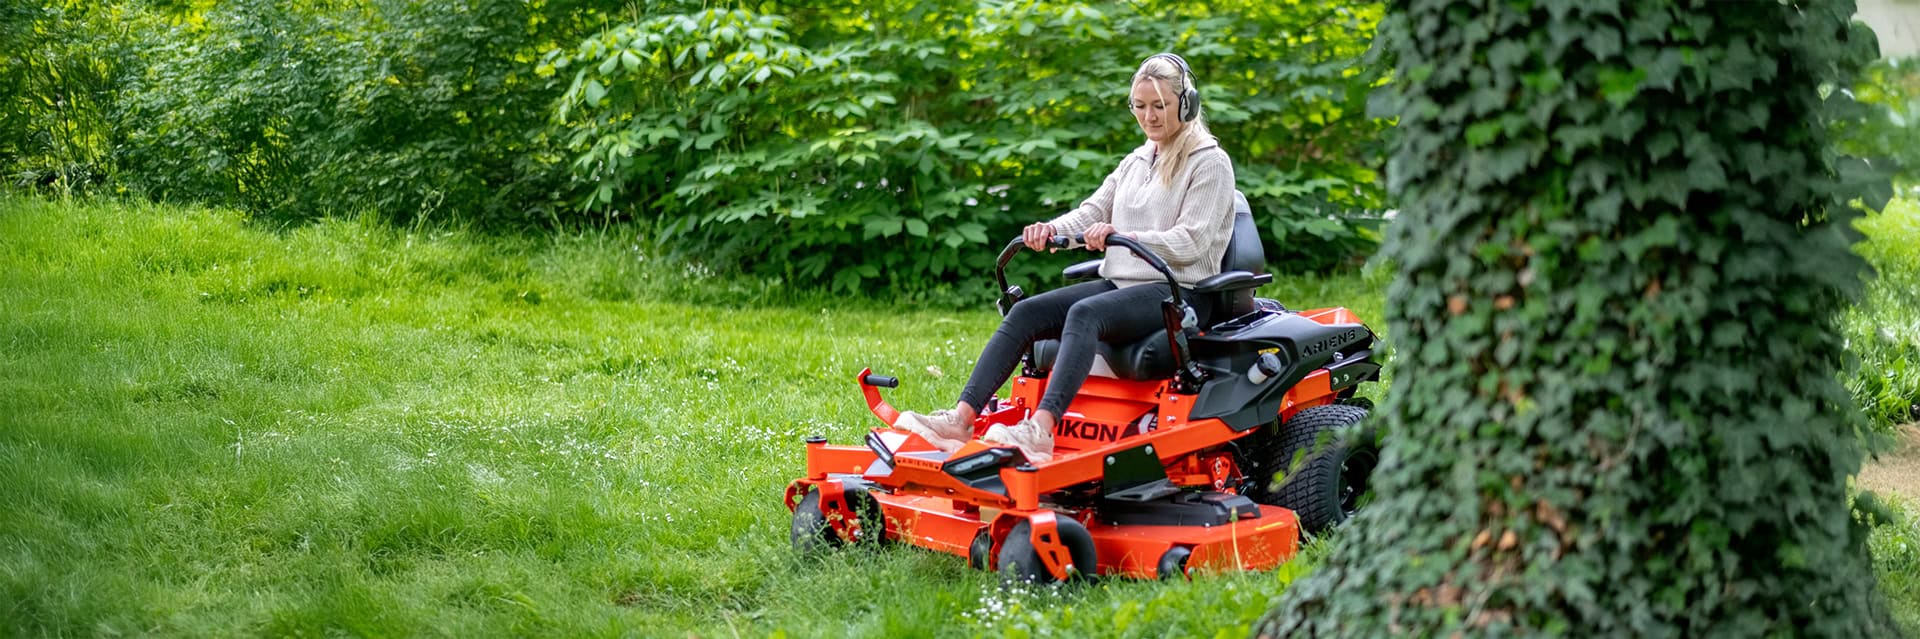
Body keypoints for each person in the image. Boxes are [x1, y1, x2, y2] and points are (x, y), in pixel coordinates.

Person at [893, 53, 1238, 463]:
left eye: (1160, 106)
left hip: (1178, 290)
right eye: (1140, 106)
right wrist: (1053, 230)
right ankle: (959, 418)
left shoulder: (1210, 162)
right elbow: (1093, 212)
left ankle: (1040, 430)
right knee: (1026, 313)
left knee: (1085, 314)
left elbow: (1193, 241)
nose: (1149, 116)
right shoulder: (1138, 159)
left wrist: (1121, 236)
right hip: (1126, 283)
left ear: (1186, 104)